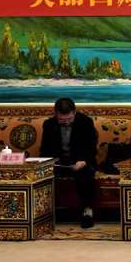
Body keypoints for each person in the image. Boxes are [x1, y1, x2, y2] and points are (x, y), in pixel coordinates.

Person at [40, 98, 98, 228]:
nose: (66, 122)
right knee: (43, 174)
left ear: (74, 112)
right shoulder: (49, 124)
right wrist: (50, 163)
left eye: (69, 119)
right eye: (62, 120)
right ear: (56, 114)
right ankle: (44, 213)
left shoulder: (86, 122)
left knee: (86, 174)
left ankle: (87, 212)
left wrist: (83, 161)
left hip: (81, 161)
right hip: (59, 163)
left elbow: (91, 147)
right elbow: (45, 149)